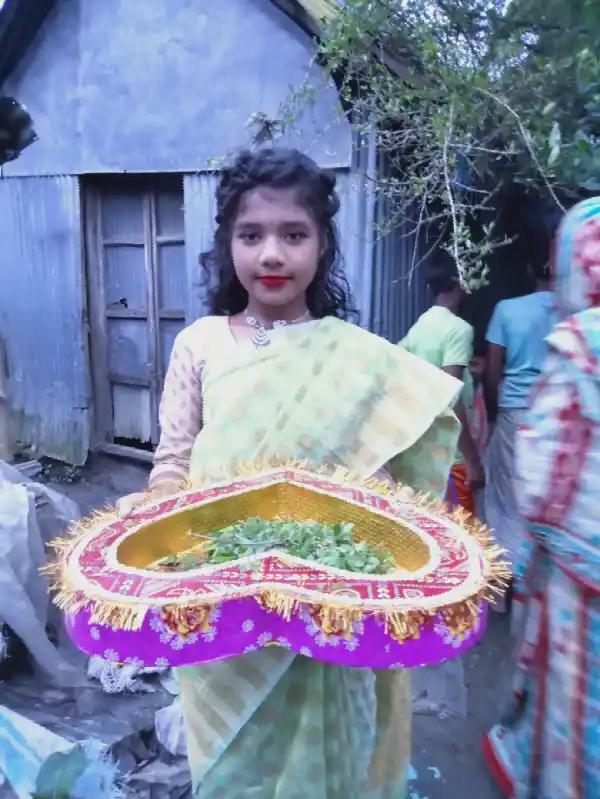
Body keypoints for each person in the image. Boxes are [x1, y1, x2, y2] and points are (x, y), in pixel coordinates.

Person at [118, 147, 462, 798]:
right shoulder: (200, 344)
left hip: (328, 605)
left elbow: (390, 479)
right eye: (251, 235)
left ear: (322, 244)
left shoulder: (358, 359)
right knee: (233, 765)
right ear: (227, 244)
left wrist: (391, 536)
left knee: (330, 763)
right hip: (223, 598)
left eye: (293, 235)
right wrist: (155, 510)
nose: (272, 254)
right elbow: (174, 461)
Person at [483, 197, 600, 799]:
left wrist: (495, 415)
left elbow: (494, 371)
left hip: (523, 420)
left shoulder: (562, 331)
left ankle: (503, 596)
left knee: (503, 509)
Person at [484, 259, 556, 569]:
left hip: (514, 412)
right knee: (548, 496)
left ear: (529, 269)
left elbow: (492, 372)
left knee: (506, 495)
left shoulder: (507, 309)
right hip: (556, 414)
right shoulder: (574, 315)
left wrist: (493, 414)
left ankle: (507, 577)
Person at [401, 254, 485, 516]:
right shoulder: (459, 329)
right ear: (459, 283)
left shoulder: (420, 326)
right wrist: (472, 460)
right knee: (462, 530)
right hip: (452, 455)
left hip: (423, 453)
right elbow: (451, 393)